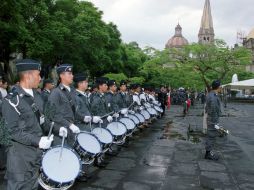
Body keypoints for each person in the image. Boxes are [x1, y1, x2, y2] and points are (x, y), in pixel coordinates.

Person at [2, 59, 54, 190]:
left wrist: (58, 128)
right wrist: (38, 141)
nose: (40, 78)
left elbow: (43, 120)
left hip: (35, 155)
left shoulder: (37, 96)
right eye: (38, 74)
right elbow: (12, 131)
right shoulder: (11, 100)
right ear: (28, 75)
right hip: (20, 158)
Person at [47, 64, 80, 146]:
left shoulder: (72, 91)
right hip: (61, 132)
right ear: (61, 75)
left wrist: (84, 118)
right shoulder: (55, 92)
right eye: (69, 74)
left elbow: (74, 111)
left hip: (72, 130)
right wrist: (69, 125)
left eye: (72, 73)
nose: (72, 76)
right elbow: (52, 114)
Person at [205, 80, 222, 160]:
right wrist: (215, 122)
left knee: (211, 136)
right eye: (220, 86)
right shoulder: (213, 96)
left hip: (211, 118)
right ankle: (208, 154)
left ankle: (209, 152)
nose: (221, 87)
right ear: (218, 87)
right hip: (213, 119)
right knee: (211, 136)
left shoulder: (211, 94)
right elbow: (213, 109)